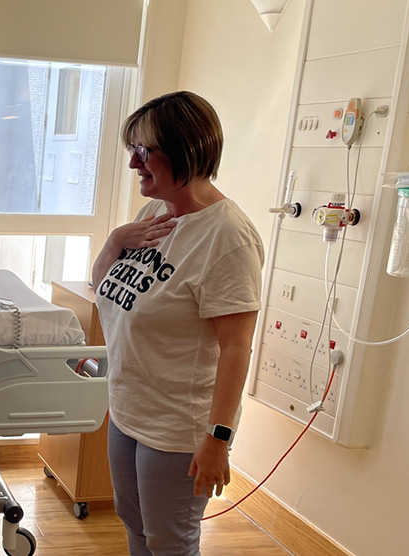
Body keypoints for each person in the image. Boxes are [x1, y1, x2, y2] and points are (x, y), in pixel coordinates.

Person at [91, 91, 264, 556]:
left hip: (178, 428)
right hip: (129, 410)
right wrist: (114, 241)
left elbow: (236, 348)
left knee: (171, 541)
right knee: (134, 524)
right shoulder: (155, 212)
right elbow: (103, 288)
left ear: (186, 151)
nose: (132, 163)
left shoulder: (227, 237)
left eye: (143, 151)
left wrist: (218, 440)